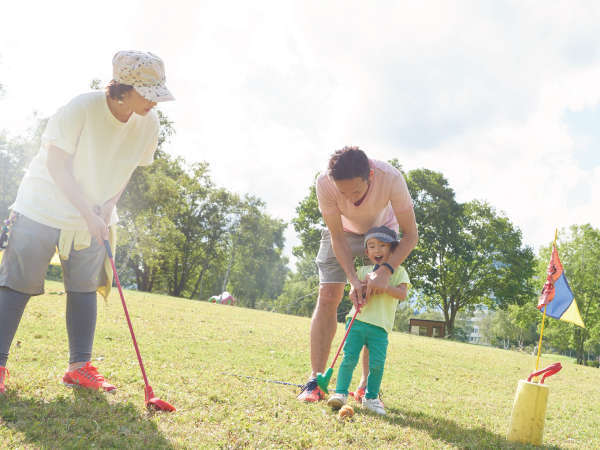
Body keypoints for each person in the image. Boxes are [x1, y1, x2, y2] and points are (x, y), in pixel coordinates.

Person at [0, 50, 174, 395]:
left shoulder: (149, 122)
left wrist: (108, 206)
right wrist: (85, 212)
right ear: (124, 86)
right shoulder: (81, 108)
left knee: (83, 287)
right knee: (18, 284)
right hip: (42, 206)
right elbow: (56, 165)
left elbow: (126, 168)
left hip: (93, 212)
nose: (156, 102)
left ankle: (79, 367)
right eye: (149, 93)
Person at [298, 146, 418, 402]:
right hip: (342, 232)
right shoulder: (324, 184)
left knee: (371, 301)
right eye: (344, 192)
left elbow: (411, 236)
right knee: (329, 295)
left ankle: (365, 385)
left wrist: (386, 271)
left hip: (380, 232)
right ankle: (316, 379)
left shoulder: (391, 178)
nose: (350, 199)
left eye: (356, 191)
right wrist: (353, 279)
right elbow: (337, 238)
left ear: (371, 175)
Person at [326, 226, 409, 415]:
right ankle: (340, 393)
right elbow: (352, 294)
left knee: (377, 363)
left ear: (393, 250)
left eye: (382, 245)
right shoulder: (362, 270)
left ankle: (371, 398)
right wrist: (361, 288)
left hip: (380, 327)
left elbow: (402, 294)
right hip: (357, 322)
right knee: (349, 358)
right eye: (372, 246)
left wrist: (385, 286)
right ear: (366, 251)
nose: (377, 250)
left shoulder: (399, 272)